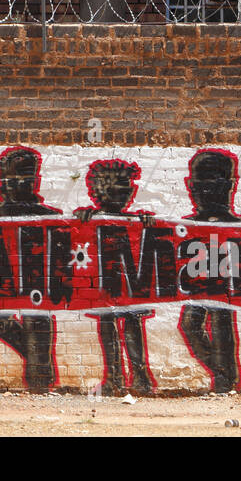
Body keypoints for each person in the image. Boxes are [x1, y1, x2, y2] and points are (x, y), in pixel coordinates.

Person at [177, 149, 241, 394]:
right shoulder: (186, 225)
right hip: (199, 282)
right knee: (190, 324)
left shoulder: (238, 224)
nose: (205, 191)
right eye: (199, 183)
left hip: (226, 283)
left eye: (213, 183)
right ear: (191, 185)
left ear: (229, 185)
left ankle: (224, 380)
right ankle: (223, 373)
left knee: (221, 325)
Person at [0, 146, 61, 391]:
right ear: (2, 179)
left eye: (25, 176)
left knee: (38, 322)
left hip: (38, 283)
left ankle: (40, 379)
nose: (19, 182)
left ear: (36, 180)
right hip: (5, 279)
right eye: (12, 177)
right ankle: (42, 368)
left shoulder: (49, 217)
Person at [75, 159, 155, 396]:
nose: (120, 191)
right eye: (113, 185)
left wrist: (145, 222)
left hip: (128, 281)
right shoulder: (89, 217)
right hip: (107, 283)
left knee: (128, 325)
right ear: (96, 189)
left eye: (124, 184)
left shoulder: (136, 220)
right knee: (113, 326)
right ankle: (117, 378)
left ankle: (135, 377)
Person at [0, 146, 60, 217]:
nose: (20, 185)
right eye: (13, 180)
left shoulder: (50, 217)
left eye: (26, 180)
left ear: (35, 182)